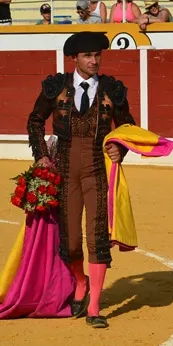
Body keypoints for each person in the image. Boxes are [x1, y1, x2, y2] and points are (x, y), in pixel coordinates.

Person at [26, 31, 136, 329]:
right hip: (64, 170)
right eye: (88, 56)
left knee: (97, 237)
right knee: (71, 241)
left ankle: (95, 307)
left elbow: (128, 126)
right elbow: (35, 120)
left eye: (98, 55)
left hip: (97, 169)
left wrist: (120, 147)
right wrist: (41, 155)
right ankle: (80, 281)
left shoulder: (112, 89)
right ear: (75, 58)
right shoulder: (56, 87)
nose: (94, 61)